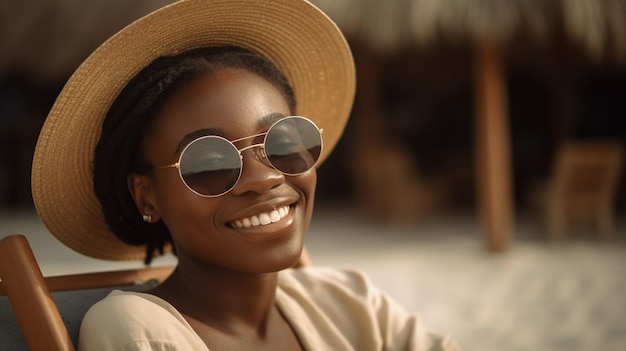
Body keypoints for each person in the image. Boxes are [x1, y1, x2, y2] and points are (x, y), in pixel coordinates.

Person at [31, 0, 460, 350]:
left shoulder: (348, 301)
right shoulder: (135, 328)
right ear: (147, 196)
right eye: (209, 162)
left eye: (282, 142)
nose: (263, 177)